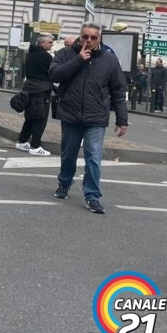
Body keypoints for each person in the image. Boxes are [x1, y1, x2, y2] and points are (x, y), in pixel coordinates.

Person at [49, 22, 128, 214]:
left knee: (94, 156)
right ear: (80, 37)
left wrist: (122, 120)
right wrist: (78, 60)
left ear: (99, 39)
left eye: (93, 38)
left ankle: (92, 196)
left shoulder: (109, 60)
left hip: (96, 117)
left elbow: (118, 90)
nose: (89, 41)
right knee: (69, 154)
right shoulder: (66, 54)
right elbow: (54, 75)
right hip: (71, 113)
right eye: (85, 37)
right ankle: (64, 183)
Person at [15, 34, 54, 156]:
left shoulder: (30, 55)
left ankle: (22, 141)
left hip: (30, 88)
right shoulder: (46, 57)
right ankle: (36, 146)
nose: (52, 44)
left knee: (31, 117)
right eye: (50, 42)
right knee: (40, 119)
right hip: (41, 90)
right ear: (42, 43)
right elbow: (53, 72)